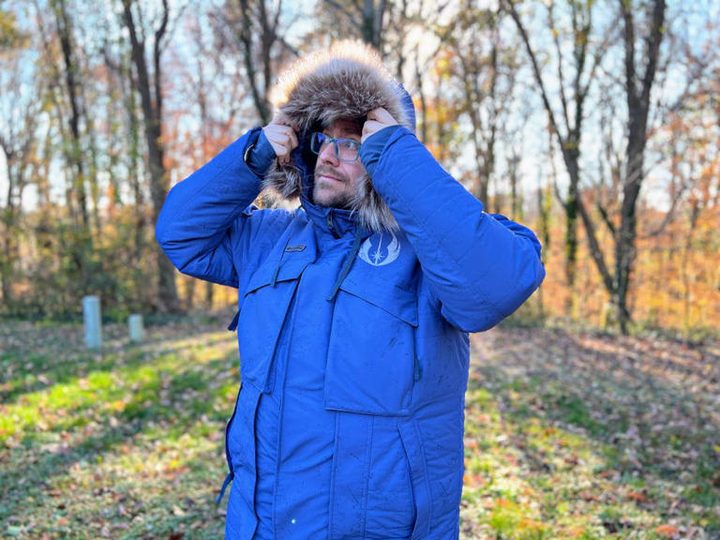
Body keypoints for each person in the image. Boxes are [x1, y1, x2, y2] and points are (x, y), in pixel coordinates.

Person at [156, 40, 546, 540]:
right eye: (321, 140)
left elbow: (497, 287)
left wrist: (397, 158)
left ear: (388, 154)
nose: (327, 156)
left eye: (353, 143)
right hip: (262, 526)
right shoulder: (269, 239)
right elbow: (180, 234)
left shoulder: (430, 251)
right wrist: (251, 157)